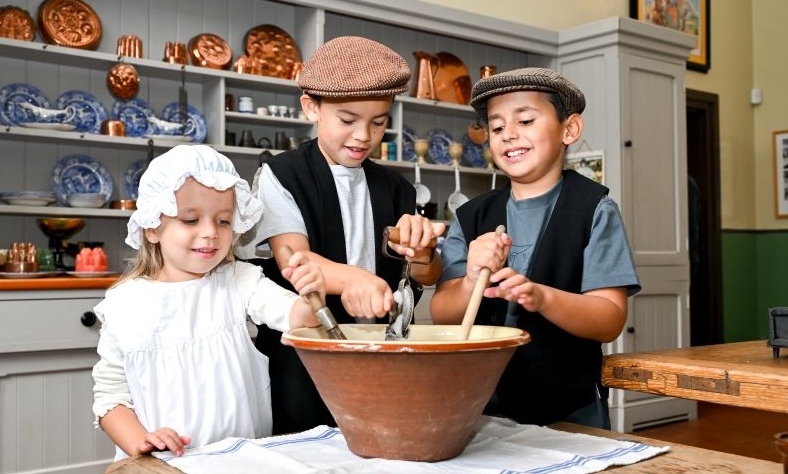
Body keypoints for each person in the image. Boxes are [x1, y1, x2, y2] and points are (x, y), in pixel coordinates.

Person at [240, 36, 445, 434]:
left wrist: (422, 252)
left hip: (383, 355)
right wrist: (352, 277)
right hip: (303, 360)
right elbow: (294, 260)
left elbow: (426, 276)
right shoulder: (281, 175)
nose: (364, 136)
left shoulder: (398, 189)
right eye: (348, 120)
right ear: (311, 107)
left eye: (379, 122)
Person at [430, 68, 641, 429]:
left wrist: (541, 298)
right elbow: (442, 314)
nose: (508, 134)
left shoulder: (593, 209)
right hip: (480, 406)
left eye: (525, 120)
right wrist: (468, 282)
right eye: (496, 128)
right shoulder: (470, 217)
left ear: (569, 130)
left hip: (570, 408)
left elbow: (609, 318)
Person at [91, 144, 325, 460]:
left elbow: (296, 315)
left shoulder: (241, 281)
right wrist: (141, 441)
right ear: (151, 228)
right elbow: (111, 398)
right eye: (190, 220)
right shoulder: (124, 304)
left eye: (223, 221)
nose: (210, 233)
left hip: (240, 460)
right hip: (163, 465)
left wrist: (312, 296)